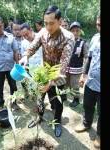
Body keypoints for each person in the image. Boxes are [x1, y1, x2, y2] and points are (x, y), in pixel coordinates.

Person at [19, 5, 75, 137]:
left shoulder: (69, 37)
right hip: (43, 73)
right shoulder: (43, 32)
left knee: (57, 101)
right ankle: (39, 117)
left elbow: (63, 65)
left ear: (60, 21)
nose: (48, 27)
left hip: (58, 77)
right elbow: (33, 46)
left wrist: (50, 83)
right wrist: (25, 56)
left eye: (52, 23)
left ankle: (57, 123)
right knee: (39, 98)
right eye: (46, 23)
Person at [75, 14, 100, 149]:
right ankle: (86, 123)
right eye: (98, 24)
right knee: (87, 105)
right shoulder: (95, 38)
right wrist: (83, 75)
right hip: (91, 81)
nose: (99, 28)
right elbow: (89, 58)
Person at [65, 21, 88, 107]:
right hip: (67, 68)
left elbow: (86, 57)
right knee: (67, 84)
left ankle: (76, 99)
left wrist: (84, 71)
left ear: (80, 31)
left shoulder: (83, 43)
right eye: (73, 30)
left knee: (75, 85)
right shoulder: (67, 41)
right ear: (70, 31)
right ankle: (66, 96)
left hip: (77, 69)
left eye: (77, 31)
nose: (75, 33)